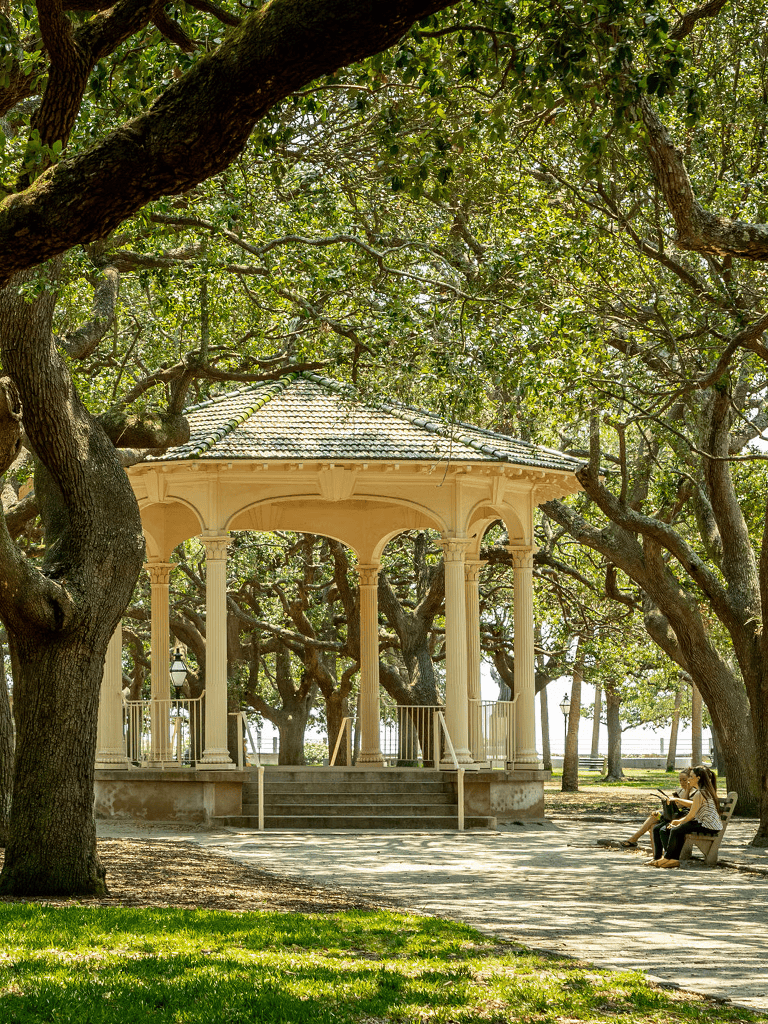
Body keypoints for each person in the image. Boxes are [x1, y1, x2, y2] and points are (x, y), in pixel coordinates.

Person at [647, 765, 722, 868]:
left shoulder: (700, 793)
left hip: (708, 825)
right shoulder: (703, 791)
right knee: (675, 830)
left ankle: (669, 858)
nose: (689, 780)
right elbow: (693, 805)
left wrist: (678, 822)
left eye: (691, 777)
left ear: (698, 778)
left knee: (675, 830)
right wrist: (677, 800)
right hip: (707, 823)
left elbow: (691, 815)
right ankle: (672, 859)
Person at [603, 769, 693, 849]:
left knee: (655, 815)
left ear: (690, 779)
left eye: (684, 780)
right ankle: (657, 855)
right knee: (653, 824)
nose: (682, 782)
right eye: (680, 780)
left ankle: (634, 839)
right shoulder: (680, 791)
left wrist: (688, 790)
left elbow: (682, 805)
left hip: (682, 818)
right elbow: (676, 805)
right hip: (673, 815)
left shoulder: (694, 792)